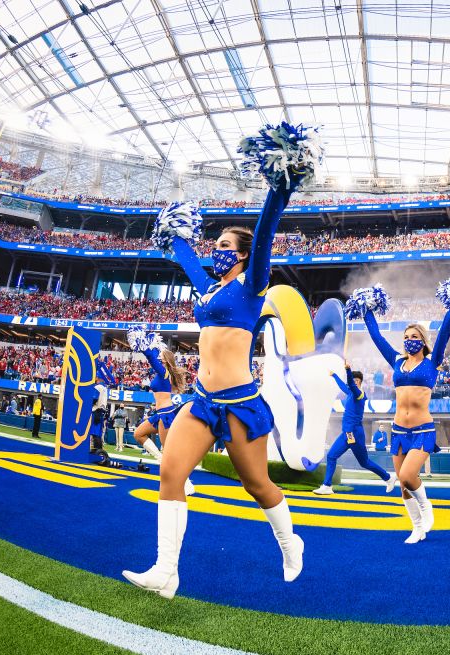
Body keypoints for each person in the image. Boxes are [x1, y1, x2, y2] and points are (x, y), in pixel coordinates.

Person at [124, 134, 313, 600]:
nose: (218, 248)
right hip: (202, 401)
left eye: (227, 244)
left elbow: (266, 230)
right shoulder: (207, 289)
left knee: (258, 484)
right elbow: (182, 250)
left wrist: (280, 186)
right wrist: (169, 230)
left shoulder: (253, 283)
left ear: (245, 254)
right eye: (217, 242)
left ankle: (292, 544)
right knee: (171, 472)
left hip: (242, 402)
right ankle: (167, 571)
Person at [357, 294, 450, 543]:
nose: (409, 341)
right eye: (406, 337)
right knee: (404, 488)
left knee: (406, 476)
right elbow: (377, 337)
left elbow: (445, 331)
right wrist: (365, 311)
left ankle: (426, 507)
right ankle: (417, 528)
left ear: (423, 341)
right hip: (398, 431)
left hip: (422, 429)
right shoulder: (396, 361)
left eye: (414, 337)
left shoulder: (432, 362)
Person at [129, 333, 195, 495]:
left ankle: (186, 483)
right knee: (139, 434)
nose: (158, 357)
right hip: (159, 414)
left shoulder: (164, 373)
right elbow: (153, 361)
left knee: (170, 452)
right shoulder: (163, 374)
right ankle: (160, 460)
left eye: (161, 356)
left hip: (166, 414)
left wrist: (145, 348)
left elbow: (152, 360)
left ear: (165, 360)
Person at [316, 363, 392, 495]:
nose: (355, 383)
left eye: (358, 381)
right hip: (347, 433)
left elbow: (350, 384)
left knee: (365, 462)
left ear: (361, 383)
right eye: (354, 380)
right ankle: (327, 485)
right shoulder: (351, 393)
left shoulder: (359, 394)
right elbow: (343, 385)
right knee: (331, 456)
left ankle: (388, 477)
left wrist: (348, 370)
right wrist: (334, 375)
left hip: (355, 434)